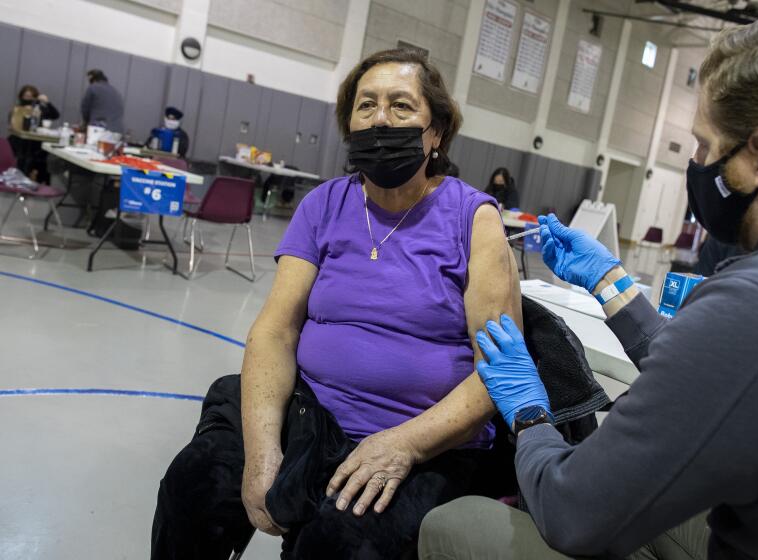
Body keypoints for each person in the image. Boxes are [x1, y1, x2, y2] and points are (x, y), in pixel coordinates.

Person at [420, 7, 758, 559]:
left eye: (705, 145)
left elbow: (571, 511)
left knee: (461, 524)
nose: (696, 161)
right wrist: (611, 282)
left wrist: (529, 411)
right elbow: (721, 376)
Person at [151, 48, 522, 558]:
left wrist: (403, 445)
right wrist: (262, 452)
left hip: (426, 443)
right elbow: (274, 332)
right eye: (366, 105)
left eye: (401, 106)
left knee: (335, 544)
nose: (380, 119)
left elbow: (501, 368)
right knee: (193, 485)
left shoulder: (474, 219)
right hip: (312, 414)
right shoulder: (324, 205)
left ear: (435, 132)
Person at [7, 85, 60, 182]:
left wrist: (47, 102)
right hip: (20, 140)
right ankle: (21, 176)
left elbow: (55, 115)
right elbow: (11, 125)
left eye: (31, 97)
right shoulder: (16, 109)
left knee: (37, 152)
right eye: (26, 96)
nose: (28, 99)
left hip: (35, 142)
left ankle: (33, 176)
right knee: (23, 151)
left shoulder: (39, 109)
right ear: (22, 96)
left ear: (35, 97)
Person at [80, 69, 124, 133]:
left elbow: (85, 109)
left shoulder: (93, 88)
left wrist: (85, 123)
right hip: (117, 131)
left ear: (93, 79)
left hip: (99, 129)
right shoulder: (115, 91)